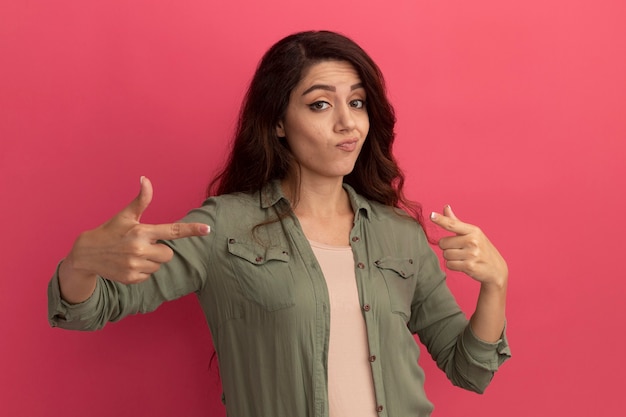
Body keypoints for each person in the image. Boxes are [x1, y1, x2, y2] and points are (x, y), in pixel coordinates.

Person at [48, 30, 511, 416]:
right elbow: (90, 309)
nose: (348, 123)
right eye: (320, 105)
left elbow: (469, 369)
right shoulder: (224, 227)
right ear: (277, 123)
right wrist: (81, 263)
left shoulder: (400, 235)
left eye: (357, 102)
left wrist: (495, 285)